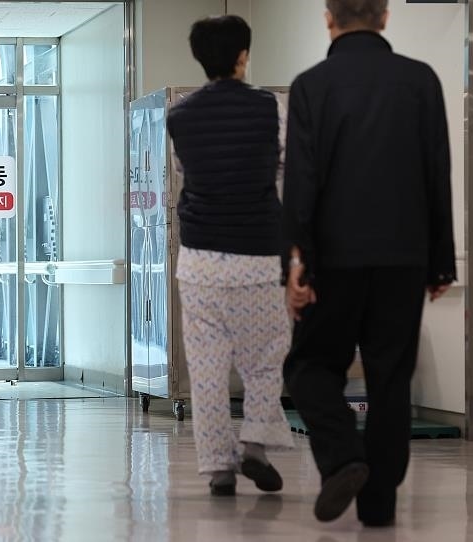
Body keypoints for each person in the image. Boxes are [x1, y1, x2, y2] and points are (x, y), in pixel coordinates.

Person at [282, 0, 456, 526]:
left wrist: (296, 261)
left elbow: (302, 182)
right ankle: (378, 507)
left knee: (310, 366)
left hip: (334, 258)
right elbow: (436, 172)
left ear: (328, 18)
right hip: (404, 256)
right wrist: (440, 263)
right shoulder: (421, 81)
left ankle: (342, 458)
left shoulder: (311, 85)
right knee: (390, 378)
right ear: (384, 17)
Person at [167, 15, 295, 497]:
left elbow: (185, 171)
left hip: (199, 260)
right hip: (256, 257)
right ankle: (255, 446)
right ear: (243, 55)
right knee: (264, 359)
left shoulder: (180, 115)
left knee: (205, 370)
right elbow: (285, 169)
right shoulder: (270, 108)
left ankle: (218, 467)